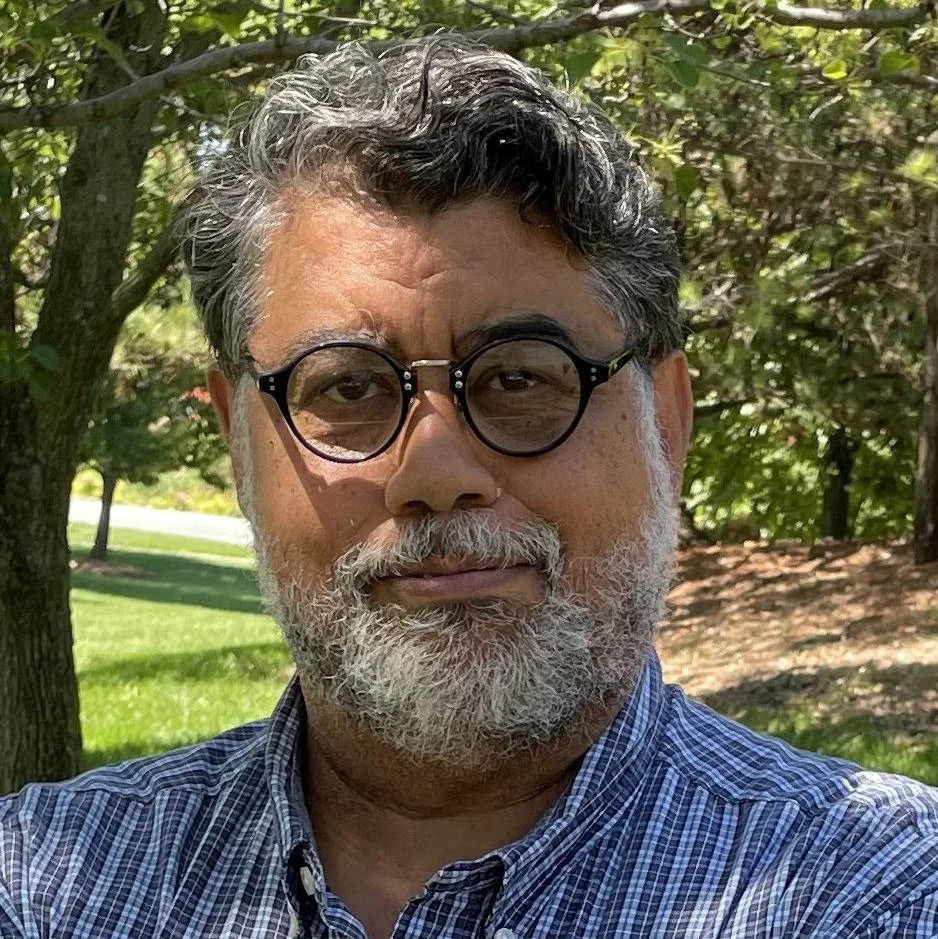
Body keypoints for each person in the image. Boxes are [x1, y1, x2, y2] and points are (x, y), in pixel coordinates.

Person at [2, 35, 937, 939]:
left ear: (666, 422)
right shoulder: (42, 884)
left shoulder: (883, 889)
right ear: (238, 445)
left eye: (521, 376)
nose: (436, 473)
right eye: (348, 388)